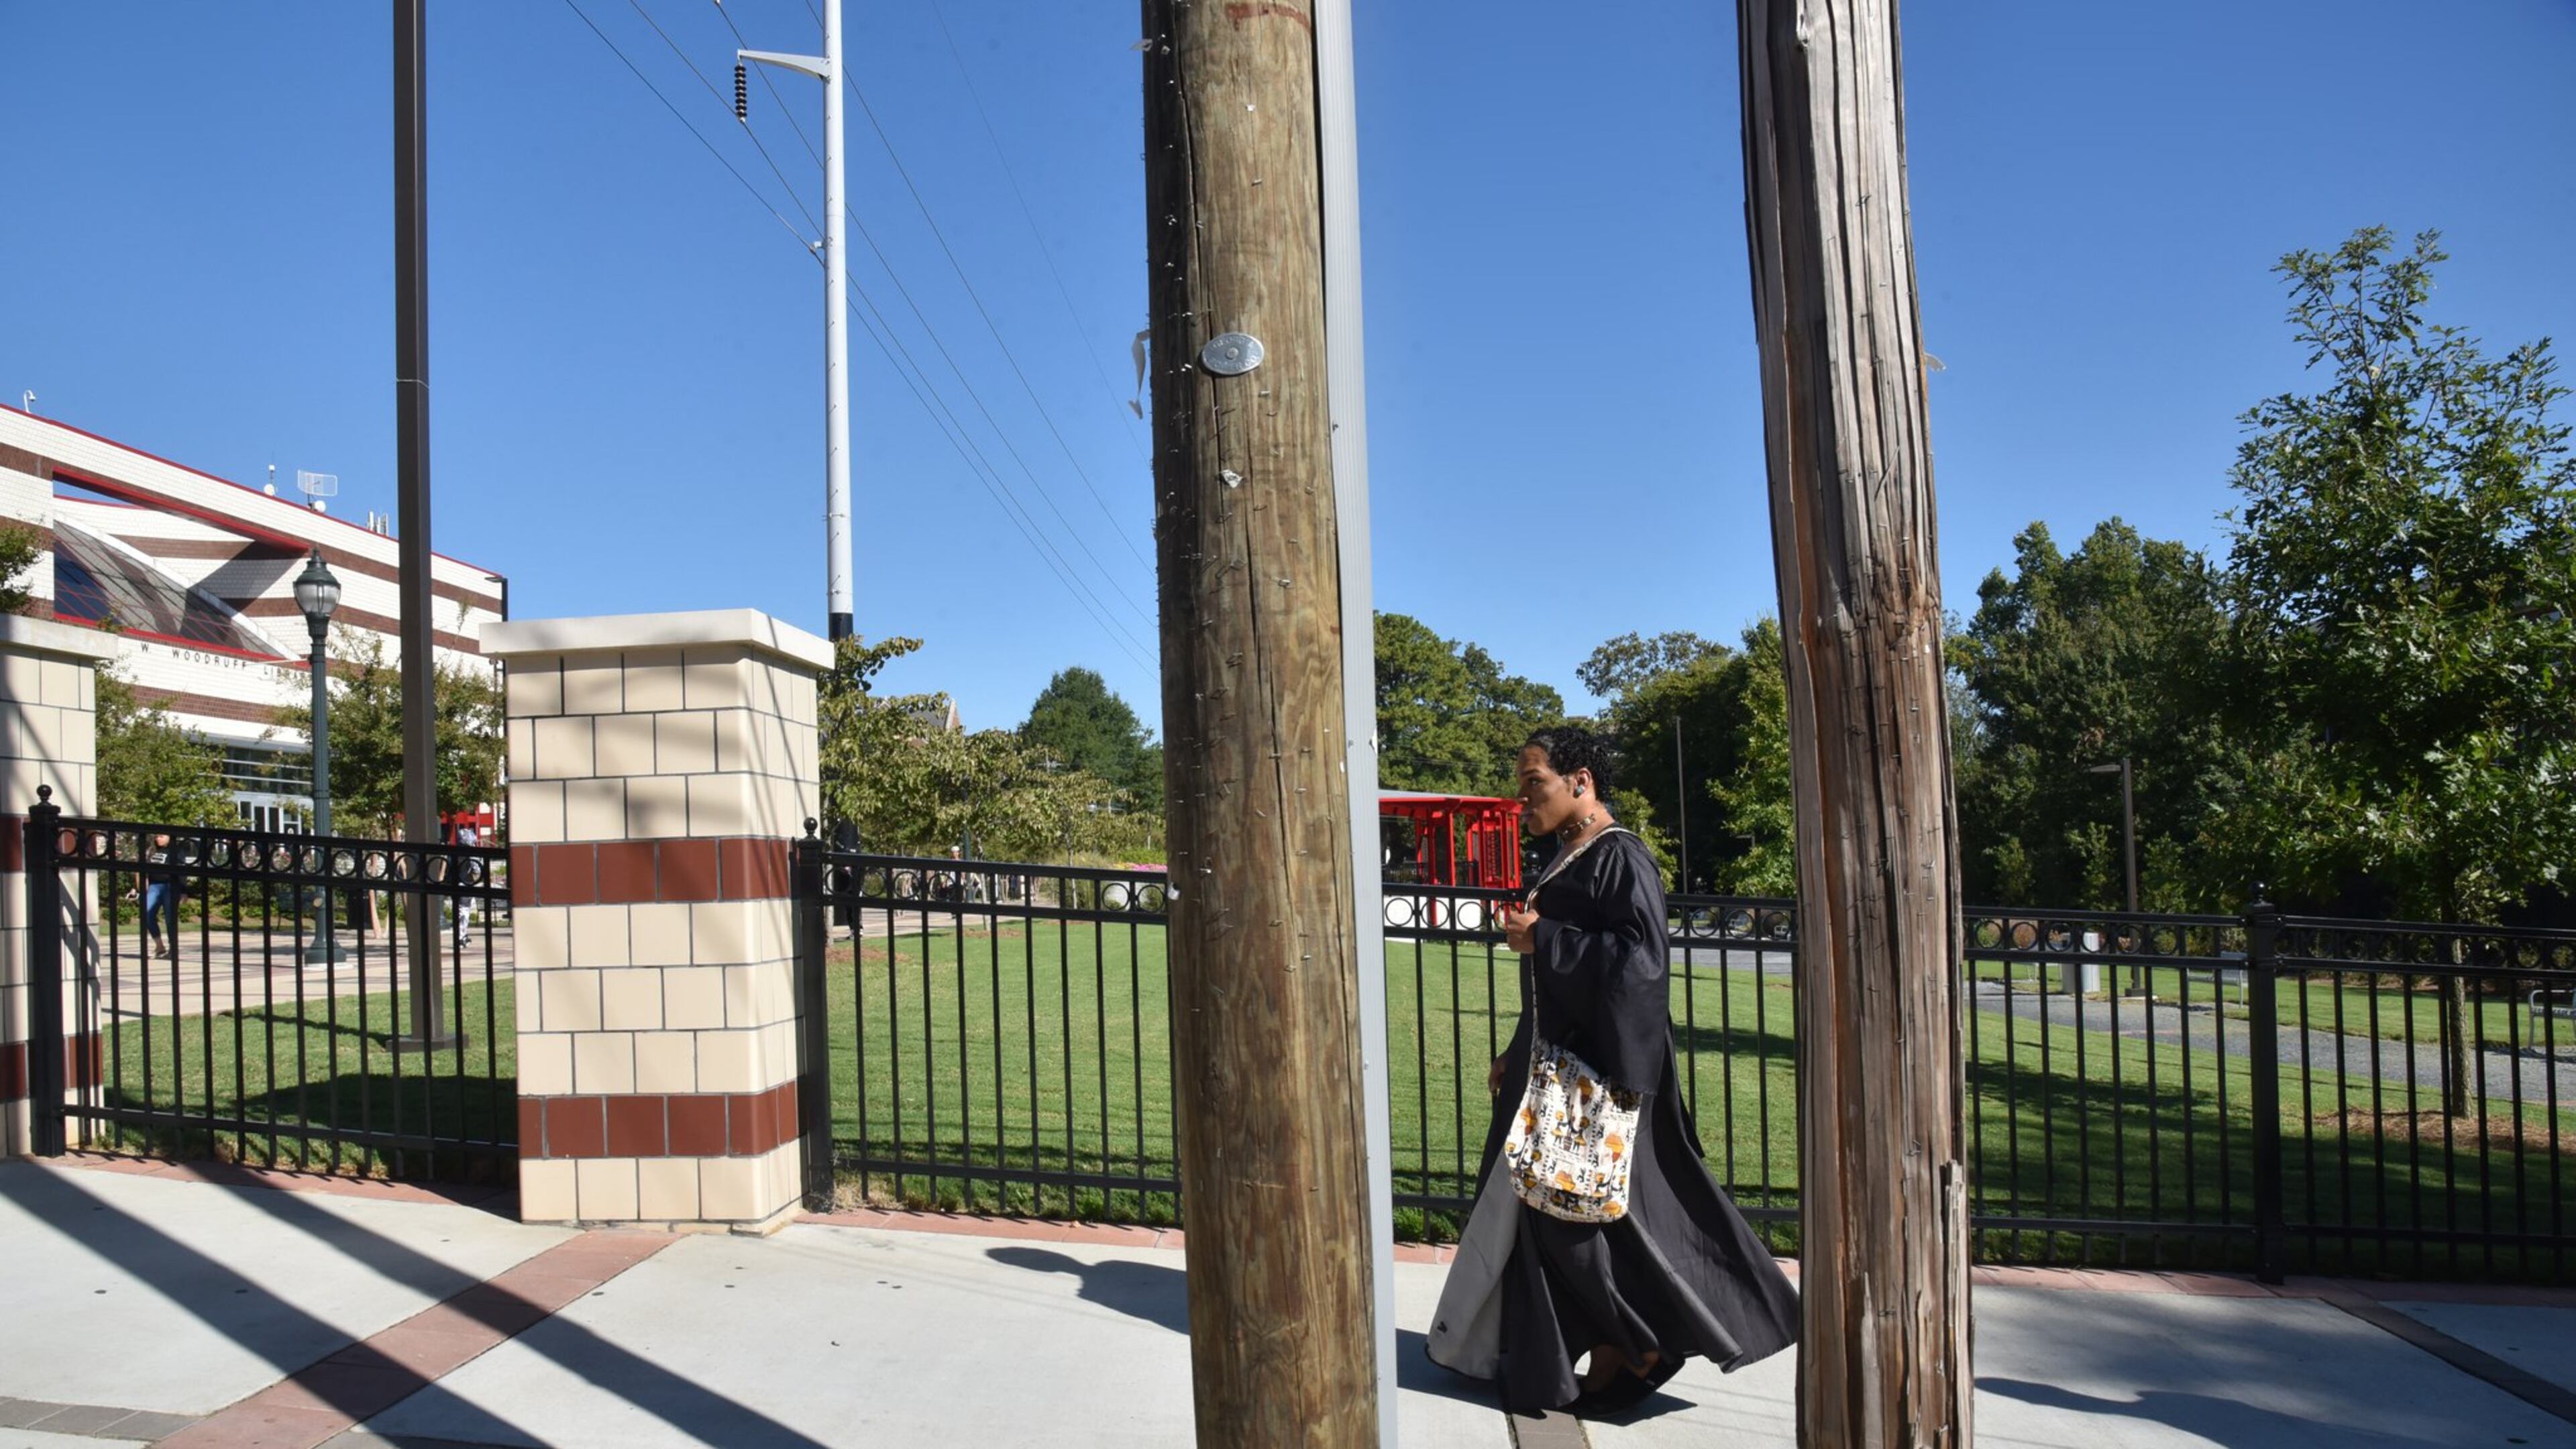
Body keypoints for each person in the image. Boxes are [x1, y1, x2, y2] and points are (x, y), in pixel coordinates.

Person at [1428, 727, 1798, 1415]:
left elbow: (1641, 965)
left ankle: (1641, 1345)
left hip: (1598, 1079)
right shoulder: (1567, 855)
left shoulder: (1620, 855)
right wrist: (1521, 1044)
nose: (1522, 800)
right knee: (1557, 1218)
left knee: (1571, 1220)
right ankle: (1595, 1357)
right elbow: (1559, 979)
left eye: (1533, 783)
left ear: (1581, 783)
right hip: (1554, 1068)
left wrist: (1544, 937)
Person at [140, 833, 183, 959]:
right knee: (147, 914)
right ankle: (159, 946)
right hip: (154, 886)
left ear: (170, 837)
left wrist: (184, 891)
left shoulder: (175, 850)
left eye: (162, 836)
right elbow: (144, 870)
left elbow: (182, 871)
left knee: (170, 919)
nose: (158, 839)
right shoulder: (152, 850)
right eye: (157, 836)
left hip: (170, 886)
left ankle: (173, 949)